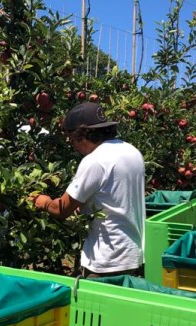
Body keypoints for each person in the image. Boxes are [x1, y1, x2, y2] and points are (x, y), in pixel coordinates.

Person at [30, 102, 146, 278]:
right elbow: (115, 196)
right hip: (133, 251)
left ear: (81, 135)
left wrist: (43, 201)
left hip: (107, 259)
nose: (73, 146)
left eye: (71, 139)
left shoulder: (96, 160)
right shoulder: (132, 151)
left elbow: (60, 209)